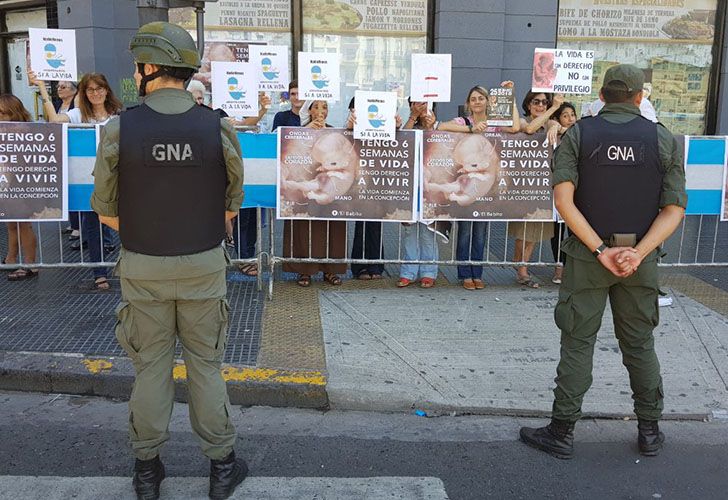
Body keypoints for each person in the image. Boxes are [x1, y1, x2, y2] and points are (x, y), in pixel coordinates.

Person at [91, 22, 247, 499]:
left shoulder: (119, 128)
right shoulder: (218, 125)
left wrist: (145, 237)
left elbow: (104, 209)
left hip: (143, 268)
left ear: (150, 67)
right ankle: (221, 466)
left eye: (139, 65)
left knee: (151, 368)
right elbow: (232, 203)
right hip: (203, 266)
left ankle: (147, 471)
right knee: (205, 366)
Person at [519, 64, 687, 460]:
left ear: (602, 94)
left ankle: (561, 431)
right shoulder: (662, 138)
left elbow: (564, 201)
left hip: (587, 258)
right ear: (638, 96)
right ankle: (649, 431)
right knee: (640, 344)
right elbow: (674, 208)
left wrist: (600, 251)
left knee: (578, 342)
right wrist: (636, 253)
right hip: (638, 261)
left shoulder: (579, 133)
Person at [30, 70, 122, 290]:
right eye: (90, 89)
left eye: (99, 88)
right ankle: (100, 272)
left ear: (106, 90)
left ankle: (129, 266)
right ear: (84, 92)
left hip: (115, 177)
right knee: (93, 226)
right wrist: (42, 87)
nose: (95, 93)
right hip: (88, 179)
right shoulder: (78, 114)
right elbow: (54, 120)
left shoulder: (118, 115)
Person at [438, 83, 520, 290]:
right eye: (473, 99)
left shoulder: (496, 122)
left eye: (481, 98)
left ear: (488, 102)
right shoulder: (463, 121)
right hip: (466, 185)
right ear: (468, 103)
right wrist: (470, 129)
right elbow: (440, 126)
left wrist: (511, 98)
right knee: (465, 231)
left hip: (487, 187)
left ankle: (478, 273)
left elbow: (516, 127)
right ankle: (464, 273)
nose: (477, 102)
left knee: (481, 232)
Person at [282, 99, 347, 287]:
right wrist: (308, 131)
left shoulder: (335, 132)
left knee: (332, 228)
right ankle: (305, 271)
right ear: (308, 110)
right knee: (304, 227)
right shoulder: (297, 132)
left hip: (329, 187)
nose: (321, 111)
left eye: (324, 107)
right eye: (316, 107)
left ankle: (331, 270)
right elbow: (293, 154)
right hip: (305, 186)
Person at [508, 91, 561, 288]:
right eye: (536, 102)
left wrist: (555, 123)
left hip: (543, 184)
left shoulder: (550, 123)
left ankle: (522, 269)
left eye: (545, 102)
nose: (541, 106)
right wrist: (554, 109)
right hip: (523, 184)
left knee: (534, 232)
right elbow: (530, 129)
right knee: (523, 231)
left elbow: (558, 126)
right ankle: (519, 263)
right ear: (528, 104)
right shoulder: (521, 121)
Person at [398, 97, 439, 288]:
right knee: (409, 231)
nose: (420, 106)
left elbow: (438, 148)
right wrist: (413, 118)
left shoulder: (436, 126)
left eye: (424, 103)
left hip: (430, 187)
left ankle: (429, 271)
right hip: (409, 186)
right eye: (416, 103)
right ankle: (408, 271)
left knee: (427, 232)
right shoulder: (407, 124)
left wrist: (430, 127)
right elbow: (402, 142)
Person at [0, 95, 38, 281]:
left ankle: (31, 264)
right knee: (11, 222)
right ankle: (11, 258)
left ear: (12, 113)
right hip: (7, 182)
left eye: (2, 113)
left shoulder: (25, 131)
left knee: (23, 223)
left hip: (22, 182)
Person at [550, 102, 577, 284]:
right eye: (565, 115)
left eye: (572, 114)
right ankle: (559, 268)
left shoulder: (580, 133)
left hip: (578, 189)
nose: (570, 119)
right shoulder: (555, 131)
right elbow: (549, 124)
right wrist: (555, 126)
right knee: (558, 232)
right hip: (559, 189)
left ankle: (574, 269)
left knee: (575, 231)